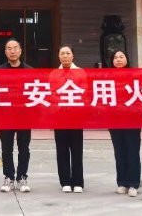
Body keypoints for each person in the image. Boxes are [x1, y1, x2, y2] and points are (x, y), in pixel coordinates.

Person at [0, 39, 32, 193]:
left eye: (15, 48)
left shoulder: (29, 71)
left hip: (24, 116)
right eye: (9, 48)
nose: (12, 51)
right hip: (6, 116)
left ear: (20, 51)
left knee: (24, 149)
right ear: (5, 52)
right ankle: (9, 177)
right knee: (6, 149)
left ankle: (22, 177)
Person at [108, 50, 141, 197]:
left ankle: (134, 184)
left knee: (132, 152)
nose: (118, 59)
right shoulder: (107, 77)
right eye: (115, 57)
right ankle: (122, 182)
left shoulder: (135, 75)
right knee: (119, 152)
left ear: (127, 59)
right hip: (114, 120)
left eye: (121, 57)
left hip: (132, 121)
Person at [53, 44, 85, 193]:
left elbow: (85, 92)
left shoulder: (80, 73)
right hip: (59, 117)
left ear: (73, 55)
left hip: (76, 117)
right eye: (62, 53)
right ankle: (65, 181)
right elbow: (51, 93)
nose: (65, 56)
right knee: (62, 149)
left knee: (77, 149)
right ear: (59, 56)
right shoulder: (54, 74)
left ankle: (78, 181)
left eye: (67, 53)